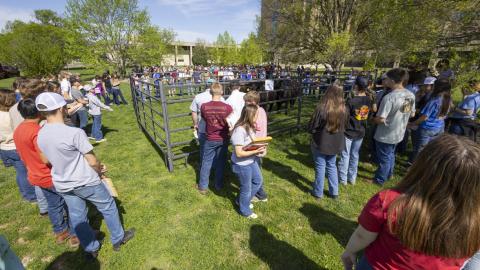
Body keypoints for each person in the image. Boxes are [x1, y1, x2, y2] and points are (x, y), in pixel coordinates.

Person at [341, 134, 480, 270]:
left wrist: (349, 251)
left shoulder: (389, 202)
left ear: (423, 165)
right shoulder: (475, 219)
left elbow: (362, 235)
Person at [35, 92, 135, 258]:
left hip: (63, 183)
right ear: (61, 108)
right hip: (86, 181)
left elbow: (45, 159)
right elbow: (92, 160)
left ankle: (90, 248)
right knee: (108, 206)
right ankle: (118, 238)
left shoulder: (41, 133)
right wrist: (99, 169)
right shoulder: (74, 133)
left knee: (77, 216)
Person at [13, 98, 79, 247]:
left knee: (54, 205)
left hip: (35, 175)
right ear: (39, 112)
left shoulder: (18, 130)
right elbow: (46, 158)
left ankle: (61, 232)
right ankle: (76, 234)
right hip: (49, 175)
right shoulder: (37, 132)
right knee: (72, 203)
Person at [371, 68, 415, 186]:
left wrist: (372, 119)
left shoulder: (390, 97)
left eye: (387, 79)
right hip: (399, 132)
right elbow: (412, 113)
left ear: (391, 80)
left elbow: (381, 119)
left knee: (384, 157)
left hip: (386, 133)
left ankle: (379, 179)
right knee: (390, 154)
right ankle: (389, 174)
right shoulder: (410, 95)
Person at [308, 85, 347, 199]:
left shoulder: (321, 108)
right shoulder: (344, 109)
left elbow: (312, 126)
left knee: (321, 166)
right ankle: (334, 192)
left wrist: (312, 131)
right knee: (331, 166)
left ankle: (318, 192)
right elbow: (346, 126)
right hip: (335, 143)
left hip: (320, 142)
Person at [0, 89, 37, 203]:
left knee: (19, 171)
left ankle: (25, 191)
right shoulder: (8, 114)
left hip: (4, 148)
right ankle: (31, 196)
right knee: (24, 172)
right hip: (14, 147)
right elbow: (17, 130)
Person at [231, 105, 266, 219]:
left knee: (258, 181)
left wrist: (260, 148)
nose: (258, 117)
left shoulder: (250, 127)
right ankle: (245, 211)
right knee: (246, 188)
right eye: (257, 115)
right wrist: (255, 150)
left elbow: (252, 143)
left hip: (251, 160)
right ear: (251, 115)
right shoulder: (239, 130)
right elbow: (239, 153)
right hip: (241, 165)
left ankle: (241, 201)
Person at [197, 83, 232, 194]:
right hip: (223, 137)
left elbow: (204, 119)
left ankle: (203, 187)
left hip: (210, 137)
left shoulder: (204, 106)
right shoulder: (227, 107)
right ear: (221, 92)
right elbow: (230, 121)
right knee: (221, 161)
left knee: (206, 162)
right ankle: (218, 185)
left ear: (210, 92)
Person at [338, 77, 374, 185]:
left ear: (356, 86)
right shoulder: (368, 100)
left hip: (349, 131)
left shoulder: (351, 101)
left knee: (345, 155)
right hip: (360, 131)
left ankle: (343, 179)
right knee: (354, 154)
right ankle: (352, 178)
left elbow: (344, 116)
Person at [409, 79, 452, 161]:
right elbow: (446, 114)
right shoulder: (448, 99)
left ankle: (414, 166)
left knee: (420, 150)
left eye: (434, 85)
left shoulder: (435, 100)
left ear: (437, 88)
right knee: (432, 149)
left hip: (427, 128)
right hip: (439, 127)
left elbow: (424, 117)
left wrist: (412, 123)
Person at [243, 91, 268, 202]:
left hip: (254, 145)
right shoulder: (262, 110)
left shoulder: (253, 112)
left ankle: (259, 193)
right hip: (261, 143)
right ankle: (260, 193)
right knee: (257, 168)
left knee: (253, 171)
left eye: (247, 101)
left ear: (253, 101)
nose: (245, 103)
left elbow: (253, 126)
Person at [190, 83, 224, 161]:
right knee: (216, 149)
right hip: (217, 128)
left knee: (203, 148)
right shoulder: (220, 98)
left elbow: (194, 112)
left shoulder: (198, 97)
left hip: (203, 127)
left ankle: (204, 166)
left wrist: (195, 124)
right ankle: (216, 167)